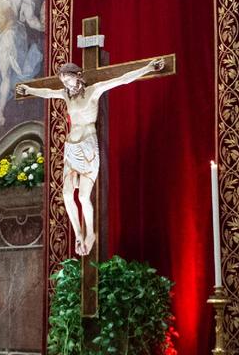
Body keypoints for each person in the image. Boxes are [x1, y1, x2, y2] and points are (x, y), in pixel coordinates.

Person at [17, 57, 164, 256]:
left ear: (78, 76)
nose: (66, 85)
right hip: (70, 147)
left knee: (84, 196)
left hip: (88, 149)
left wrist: (146, 68)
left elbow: (122, 79)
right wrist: (29, 89)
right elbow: (47, 93)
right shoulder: (65, 95)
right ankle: (78, 233)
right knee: (67, 194)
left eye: (68, 80)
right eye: (63, 82)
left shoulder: (94, 91)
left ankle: (90, 234)